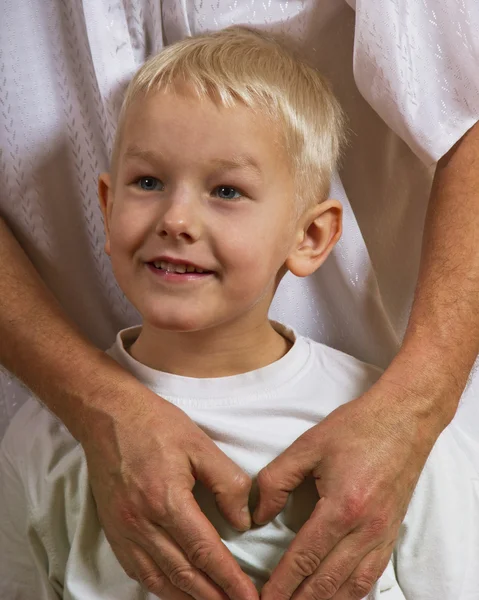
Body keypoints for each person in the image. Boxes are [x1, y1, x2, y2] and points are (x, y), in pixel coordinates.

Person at [1, 3, 478, 600]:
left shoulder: (394, 436)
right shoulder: (42, 438)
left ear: (310, 237)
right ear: (107, 205)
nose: (176, 219)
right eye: (147, 182)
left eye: (226, 191)